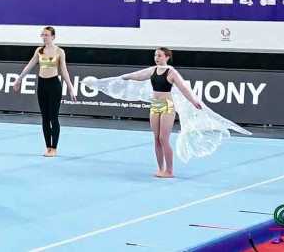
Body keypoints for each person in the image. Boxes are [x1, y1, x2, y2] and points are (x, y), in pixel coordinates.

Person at [85, 47, 249, 178]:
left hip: (167, 105)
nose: (156, 58)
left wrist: (193, 101)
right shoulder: (153, 70)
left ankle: (169, 170)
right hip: (155, 105)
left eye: (159, 55)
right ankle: (160, 168)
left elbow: (183, 88)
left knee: (164, 138)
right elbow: (139, 75)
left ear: (167, 57)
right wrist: (124, 77)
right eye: (155, 55)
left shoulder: (171, 72)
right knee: (156, 138)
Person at [16, 26, 76, 157]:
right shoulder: (39, 50)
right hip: (42, 85)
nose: (44, 37)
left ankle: (54, 148)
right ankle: (48, 146)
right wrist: (19, 79)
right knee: (45, 117)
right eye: (42, 35)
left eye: (46, 35)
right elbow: (29, 66)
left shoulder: (59, 51)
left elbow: (64, 71)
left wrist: (71, 88)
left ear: (53, 37)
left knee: (53, 117)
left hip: (54, 85)